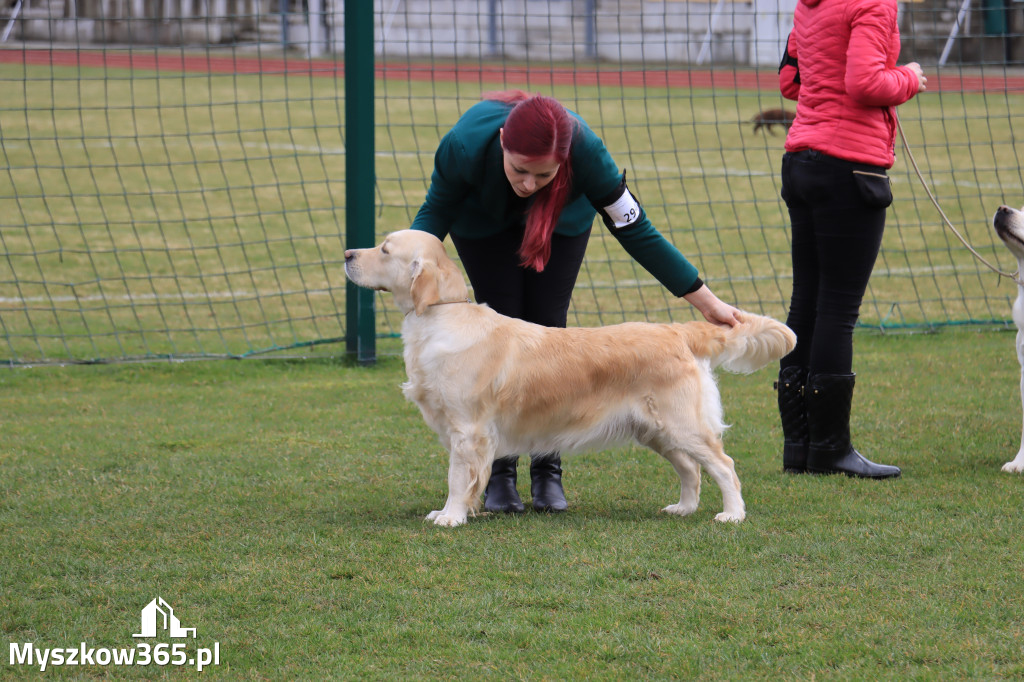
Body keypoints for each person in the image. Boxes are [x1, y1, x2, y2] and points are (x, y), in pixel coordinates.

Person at [410, 90, 741, 513]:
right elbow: (432, 217)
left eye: (543, 176)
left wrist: (705, 301)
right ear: (501, 142)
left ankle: (548, 471)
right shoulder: (464, 145)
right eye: (520, 170)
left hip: (561, 226)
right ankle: (499, 476)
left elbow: (636, 229)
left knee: (550, 333)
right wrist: (403, 269)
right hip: (483, 226)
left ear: (562, 164)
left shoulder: (586, 152)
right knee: (498, 340)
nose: (529, 184)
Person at [775, 0, 927, 478]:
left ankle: (799, 446)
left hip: (802, 160)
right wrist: (909, 78)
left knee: (807, 302)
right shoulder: (872, 4)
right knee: (839, 308)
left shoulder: (808, 6)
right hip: (850, 166)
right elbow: (864, 83)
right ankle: (830, 449)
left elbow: (790, 82)